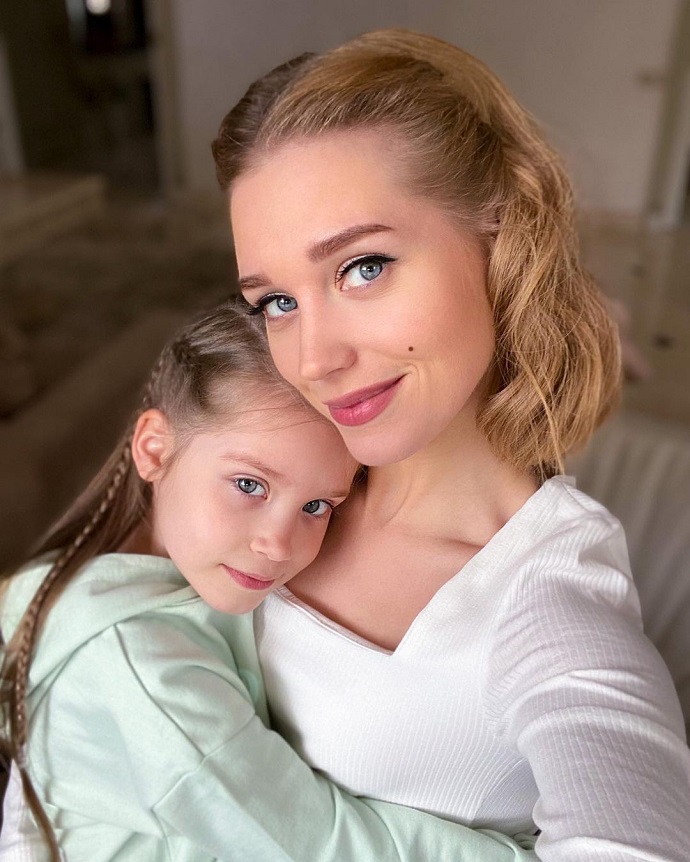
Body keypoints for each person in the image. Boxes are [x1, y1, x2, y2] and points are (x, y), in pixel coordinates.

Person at [212, 29, 690, 860]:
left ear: (501, 239)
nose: (314, 360)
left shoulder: (548, 607)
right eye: (276, 302)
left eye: (363, 267)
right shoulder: (280, 466)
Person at [0, 302, 539, 861]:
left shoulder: (132, 592)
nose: (278, 545)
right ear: (154, 448)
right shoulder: (138, 668)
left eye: (316, 505)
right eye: (249, 485)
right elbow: (315, 844)